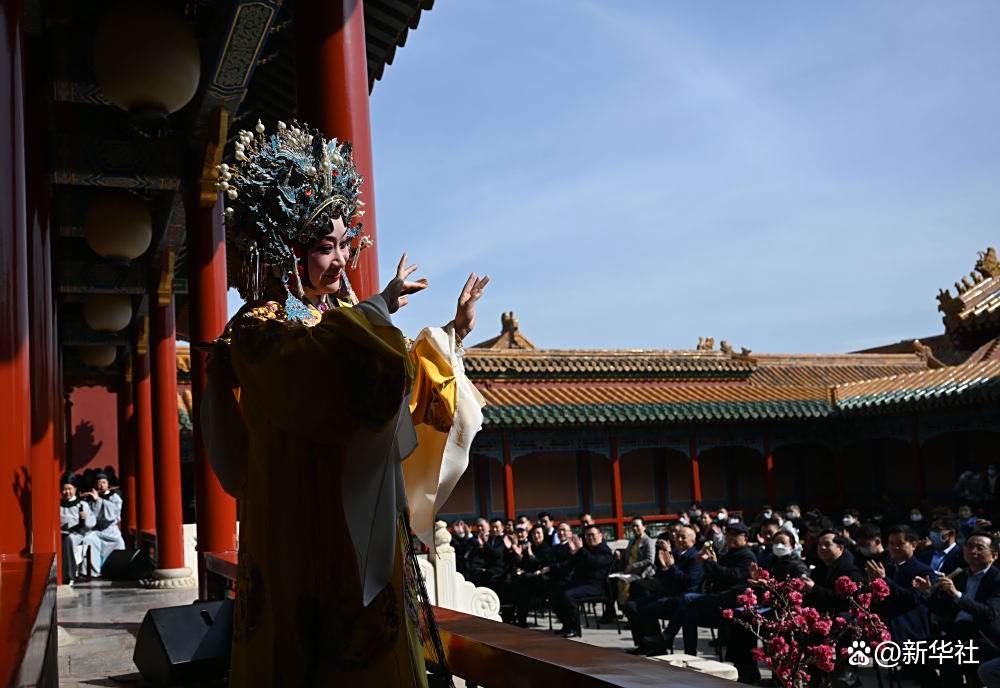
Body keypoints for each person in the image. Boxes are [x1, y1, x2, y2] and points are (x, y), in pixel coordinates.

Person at [203, 120, 489, 687]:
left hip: (365, 522)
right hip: (299, 522)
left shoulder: (343, 322)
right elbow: (327, 378)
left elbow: (393, 389)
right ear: (288, 250)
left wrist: (451, 335)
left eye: (343, 245)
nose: (339, 260)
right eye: (323, 247)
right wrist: (378, 309)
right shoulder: (259, 329)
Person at [645, 523, 757, 681]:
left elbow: (734, 576)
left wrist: (709, 562)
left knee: (687, 598)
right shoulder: (727, 553)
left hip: (731, 601)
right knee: (688, 613)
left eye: (735, 535)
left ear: (745, 538)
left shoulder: (746, 556)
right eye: (728, 534)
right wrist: (705, 564)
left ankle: (668, 636)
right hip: (716, 598)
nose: (730, 538)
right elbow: (715, 576)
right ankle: (689, 655)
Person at [915, 531, 1000, 687]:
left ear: (994, 556)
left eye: (980, 548)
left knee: (951, 657)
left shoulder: (996, 579)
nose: (973, 551)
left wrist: (957, 594)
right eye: (969, 546)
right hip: (956, 632)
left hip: (982, 635)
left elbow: (989, 613)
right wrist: (927, 593)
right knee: (917, 652)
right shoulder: (960, 574)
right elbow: (943, 610)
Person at [624, 526, 703, 651]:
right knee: (631, 606)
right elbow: (662, 579)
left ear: (693, 541)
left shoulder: (695, 557)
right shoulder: (674, 553)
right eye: (678, 537)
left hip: (683, 598)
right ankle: (644, 644)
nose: (679, 540)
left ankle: (657, 646)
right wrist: (664, 567)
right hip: (667, 593)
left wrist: (671, 567)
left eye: (683, 537)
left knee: (648, 609)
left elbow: (688, 582)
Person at [550, 524, 613, 638]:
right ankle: (567, 625)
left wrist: (580, 549)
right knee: (556, 591)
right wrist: (572, 554)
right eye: (587, 536)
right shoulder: (585, 550)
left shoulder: (605, 550)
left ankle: (574, 629)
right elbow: (569, 565)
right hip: (580, 583)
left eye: (592, 535)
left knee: (568, 595)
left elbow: (594, 562)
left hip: (596, 587)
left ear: (600, 535)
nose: (590, 538)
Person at [603, 517, 654, 622]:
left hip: (642, 573)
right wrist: (619, 554)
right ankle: (614, 612)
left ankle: (632, 616)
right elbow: (627, 555)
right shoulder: (632, 540)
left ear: (644, 527)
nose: (634, 528)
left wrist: (634, 566)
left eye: (637, 526)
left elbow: (650, 560)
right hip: (628, 571)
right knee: (610, 582)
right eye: (633, 526)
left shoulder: (648, 541)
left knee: (629, 586)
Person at [802, 530, 864, 614]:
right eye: (819, 544)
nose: (822, 547)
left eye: (827, 544)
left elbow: (845, 601)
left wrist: (814, 589)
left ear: (840, 548)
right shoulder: (818, 568)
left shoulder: (851, 570)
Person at [511, 524, 556, 627]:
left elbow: (543, 565)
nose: (536, 536)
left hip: (543, 581)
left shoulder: (546, 548)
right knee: (520, 586)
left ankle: (521, 620)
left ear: (543, 534)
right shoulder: (530, 546)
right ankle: (520, 620)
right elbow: (525, 565)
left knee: (522, 584)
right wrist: (520, 559)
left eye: (538, 533)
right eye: (534, 533)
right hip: (529, 580)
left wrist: (531, 554)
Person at [59, 473, 97, 581]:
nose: (67, 492)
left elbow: (92, 522)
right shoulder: (58, 504)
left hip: (77, 534)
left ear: (75, 489)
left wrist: (85, 519)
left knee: (69, 540)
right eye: (64, 489)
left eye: (69, 489)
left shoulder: (82, 504)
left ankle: (69, 574)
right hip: (61, 533)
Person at [85, 471, 125, 566]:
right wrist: (94, 500)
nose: (101, 485)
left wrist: (98, 500)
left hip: (111, 530)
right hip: (96, 531)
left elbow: (112, 515)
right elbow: (93, 516)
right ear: (95, 485)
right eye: (99, 483)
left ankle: (117, 569)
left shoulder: (115, 497)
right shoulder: (91, 498)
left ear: (108, 484)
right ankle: (93, 569)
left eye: (104, 482)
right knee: (88, 539)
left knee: (120, 544)